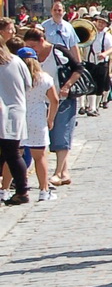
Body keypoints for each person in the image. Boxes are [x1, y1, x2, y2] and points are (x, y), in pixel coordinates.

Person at [40, 0, 81, 187]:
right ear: (51, 11)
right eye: (55, 9)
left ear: (64, 11)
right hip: (50, 72)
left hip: (65, 72)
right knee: (58, 128)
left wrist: (79, 69)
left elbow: (75, 50)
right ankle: (63, 171)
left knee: (63, 127)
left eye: (60, 10)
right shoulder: (44, 27)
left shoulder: (68, 28)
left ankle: (61, 171)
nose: (58, 12)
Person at [18, 48, 55, 201]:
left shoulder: (16, 77)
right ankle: (43, 191)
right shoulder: (44, 78)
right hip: (38, 117)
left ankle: (5, 189)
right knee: (40, 157)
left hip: (19, 117)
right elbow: (55, 100)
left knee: (14, 155)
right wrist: (50, 118)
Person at [0, 27, 31, 206]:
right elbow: (28, 84)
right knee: (13, 154)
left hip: (4, 112)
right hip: (17, 110)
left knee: (11, 154)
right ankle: (21, 190)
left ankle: (21, 191)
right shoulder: (17, 61)